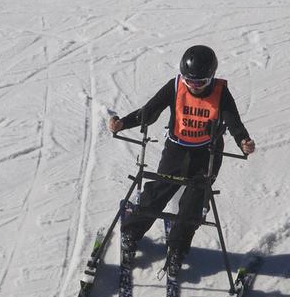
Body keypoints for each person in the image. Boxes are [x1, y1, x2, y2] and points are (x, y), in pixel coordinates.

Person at [108, 45, 256, 279]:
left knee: (193, 203)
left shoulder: (220, 93)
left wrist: (244, 141)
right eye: (190, 81)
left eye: (201, 82)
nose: (194, 86)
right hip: (177, 149)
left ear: (212, 77)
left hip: (206, 154)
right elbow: (150, 110)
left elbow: (234, 122)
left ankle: (177, 249)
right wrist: (123, 123)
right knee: (158, 190)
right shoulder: (176, 86)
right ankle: (132, 232)